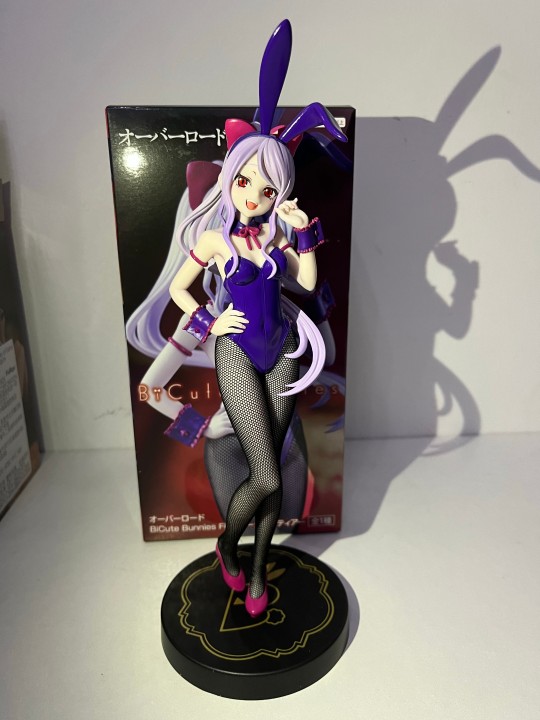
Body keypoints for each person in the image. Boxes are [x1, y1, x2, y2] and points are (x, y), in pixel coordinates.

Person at [168, 19, 347, 616]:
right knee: (266, 475)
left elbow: (308, 284)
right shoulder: (215, 241)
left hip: (284, 351)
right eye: (245, 180)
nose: (252, 194)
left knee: (274, 464)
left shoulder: (276, 238)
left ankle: (256, 571)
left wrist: (304, 233)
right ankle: (227, 545)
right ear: (231, 178)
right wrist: (206, 323)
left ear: (278, 194)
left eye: (267, 189)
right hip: (238, 350)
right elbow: (179, 289)